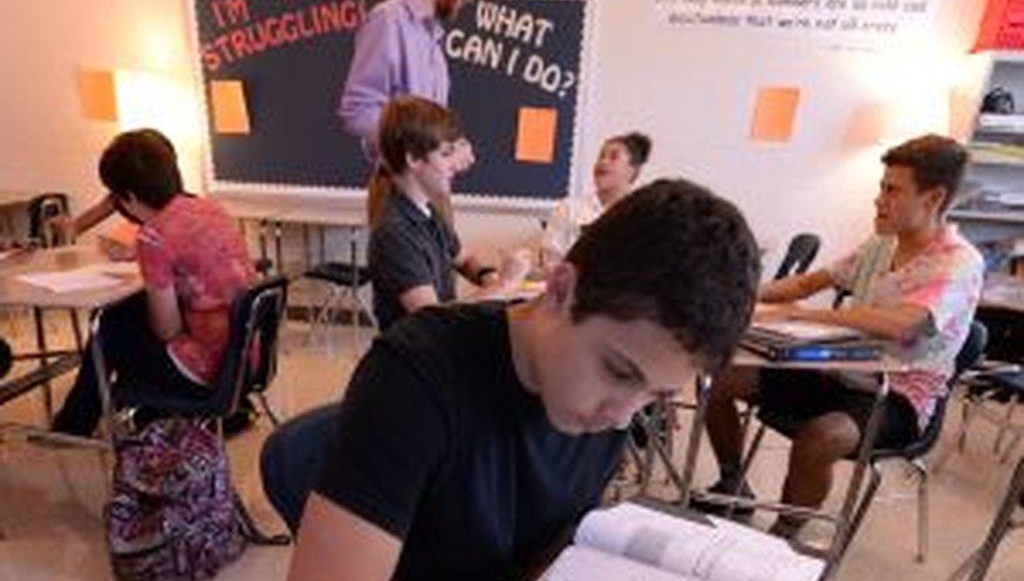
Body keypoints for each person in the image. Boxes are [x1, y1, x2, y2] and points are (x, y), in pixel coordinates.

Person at [271, 178, 762, 580]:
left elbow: (547, 557)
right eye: (618, 371)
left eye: (655, 395)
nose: (620, 418)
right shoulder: (415, 375)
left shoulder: (605, 409)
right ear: (562, 289)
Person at [700, 134, 984, 539]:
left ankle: (782, 539)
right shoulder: (881, 244)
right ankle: (733, 484)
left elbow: (903, 323)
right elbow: (809, 282)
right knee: (719, 375)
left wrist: (804, 316)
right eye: (880, 188)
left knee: (822, 437)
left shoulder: (958, 262)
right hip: (839, 370)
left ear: (934, 198)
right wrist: (738, 293)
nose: (878, 199)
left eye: (892, 190)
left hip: (899, 395)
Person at [51, 129, 256, 436]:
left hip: (211, 368)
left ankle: (74, 425)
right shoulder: (209, 208)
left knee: (110, 327)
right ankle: (87, 420)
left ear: (129, 197)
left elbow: (167, 330)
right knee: (123, 315)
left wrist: (146, 259)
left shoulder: (154, 235)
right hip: (248, 353)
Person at [367, 95, 530, 331]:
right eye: (445, 154)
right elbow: (433, 319)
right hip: (415, 361)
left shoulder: (427, 212)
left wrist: (487, 275)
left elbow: (462, 258)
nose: (455, 164)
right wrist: (504, 284)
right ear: (413, 158)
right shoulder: (394, 233)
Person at [338, 0, 475, 159]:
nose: (470, 0)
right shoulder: (388, 19)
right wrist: (418, 145)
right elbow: (358, 111)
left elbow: (430, 132)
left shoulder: (435, 45)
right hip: (392, 182)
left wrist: (450, 146)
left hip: (420, 183)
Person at [50, 128, 180, 259]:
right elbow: (76, 227)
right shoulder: (121, 197)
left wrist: (136, 252)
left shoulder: (184, 209)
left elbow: (179, 251)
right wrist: (65, 229)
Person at [541, 132, 652, 266]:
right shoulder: (569, 209)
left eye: (613, 157)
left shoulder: (643, 213)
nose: (603, 162)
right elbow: (551, 261)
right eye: (601, 156)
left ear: (632, 170)